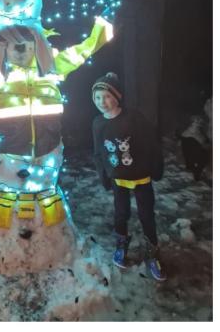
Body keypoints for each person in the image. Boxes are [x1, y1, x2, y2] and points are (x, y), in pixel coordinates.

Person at [91, 72, 166, 281]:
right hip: (118, 179)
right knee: (121, 214)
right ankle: (121, 246)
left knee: (146, 215)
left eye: (106, 96)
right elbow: (98, 152)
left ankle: (152, 253)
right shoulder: (98, 123)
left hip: (141, 177)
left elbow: (152, 143)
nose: (102, 102)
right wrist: (103, 175)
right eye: (97, 98)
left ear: (117, 96)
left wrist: (156, 167)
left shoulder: (134, 118)